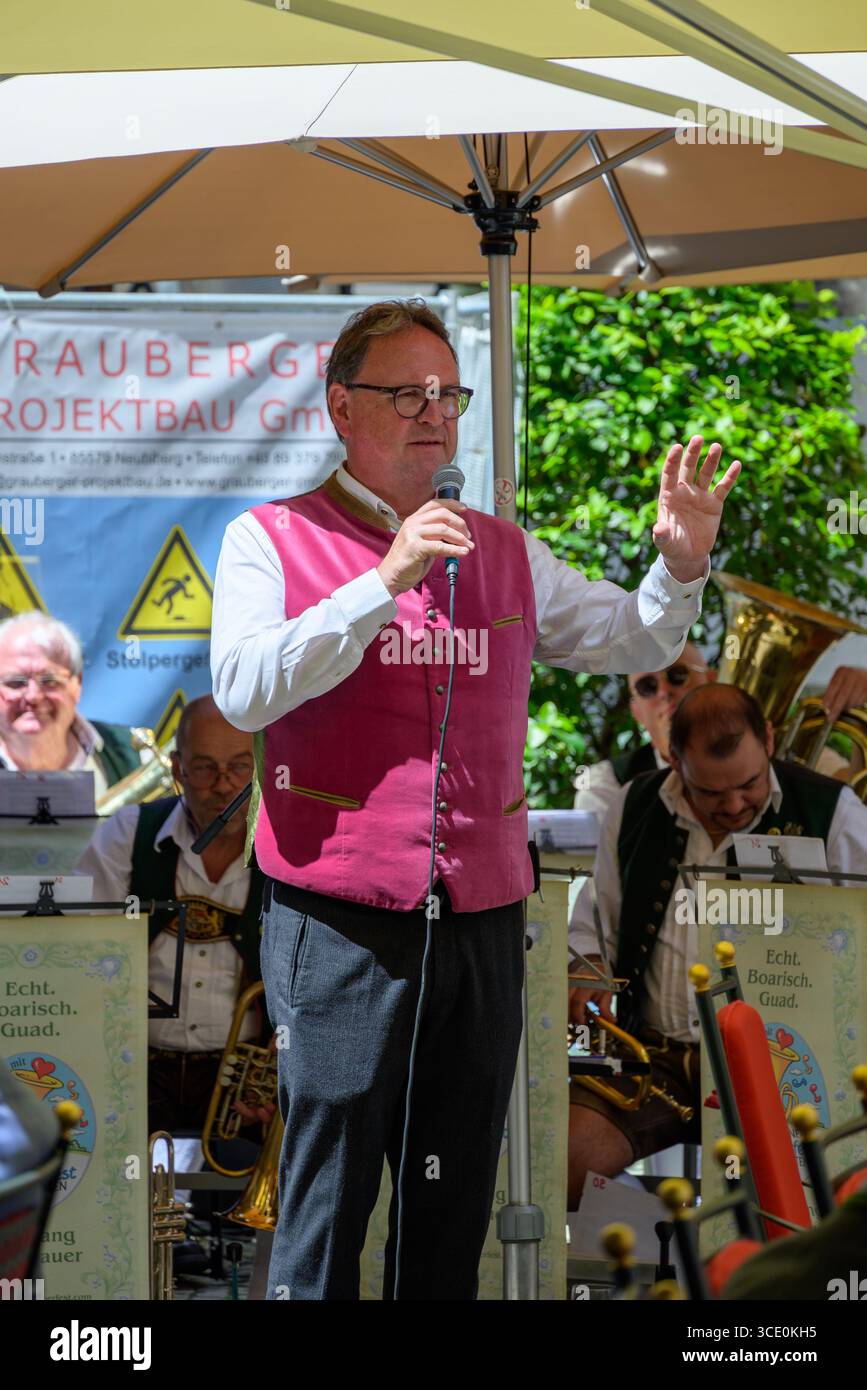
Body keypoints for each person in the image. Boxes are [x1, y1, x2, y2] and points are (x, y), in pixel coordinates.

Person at [210, 296, 741, 1301]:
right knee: (326, 1201)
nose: (434, 412)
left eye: (447, 393)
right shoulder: (270, 538)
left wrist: (679, 565)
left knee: (450, 1200)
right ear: (341, 408)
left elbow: (634, 638)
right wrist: (385, 578)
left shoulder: (504, 548)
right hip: (340, 920)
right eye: (405, 393)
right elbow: (243, 691)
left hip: (483, 919)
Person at [567, 683, 867, 1211]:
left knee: (781, 1208)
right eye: (710, 792)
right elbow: (595, 918)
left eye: (749, 784)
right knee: (561, 1162)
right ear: (674, 760)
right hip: (651, 1059)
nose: (733, 804)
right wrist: (586, 964)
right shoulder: (634, 805)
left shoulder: (833, 810)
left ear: (769, 739)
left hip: (779, 1062)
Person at [74, 695, 269, 1136]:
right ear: (178, 769)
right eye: (204, 768)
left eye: (240, 767)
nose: (224, 786)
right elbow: (81, 954)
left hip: (243, 1088)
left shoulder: (282, 852)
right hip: (133, 1073)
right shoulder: (127, 834)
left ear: (260, 765)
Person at [573, 646, 867, 825]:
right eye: (647, 687)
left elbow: (854, 801)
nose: (664, 692)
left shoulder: (783, 748)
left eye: (678, 675)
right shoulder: (605, 784)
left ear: (711, 679)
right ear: (636, 710)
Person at [0, 611, 145, 799]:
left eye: (49, 681)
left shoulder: (133, 753)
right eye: (15, 683)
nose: (33, 696)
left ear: (77, 684)